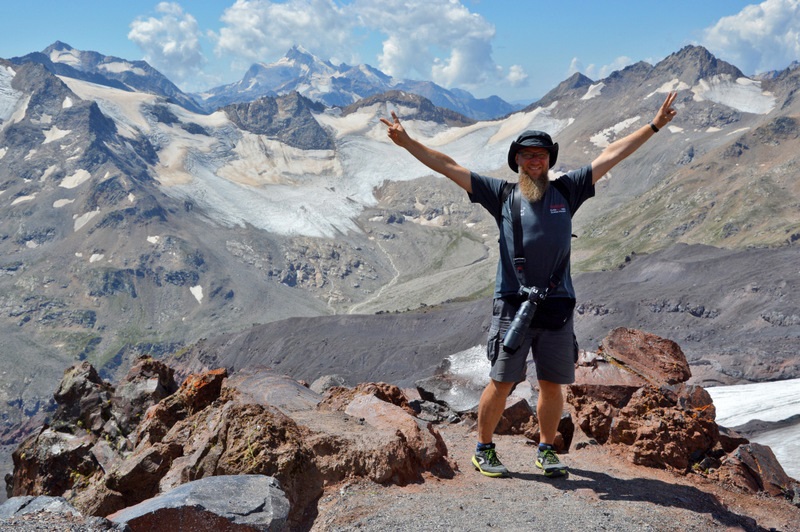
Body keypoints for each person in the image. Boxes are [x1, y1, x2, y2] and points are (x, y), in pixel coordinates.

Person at [380, 91, 678, 478]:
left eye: (541, 155)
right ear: (517, 160)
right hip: (512, 305)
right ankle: (483, 449)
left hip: (557, 306)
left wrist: (654, 126)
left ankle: (546, 450)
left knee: (554, 385)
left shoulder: (567, 190)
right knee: (502, 381)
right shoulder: (500, 194)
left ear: (549, 160)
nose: (535, 161)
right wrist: (407, 143)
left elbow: (611, 155)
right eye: (527, 155)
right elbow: (447, 165)